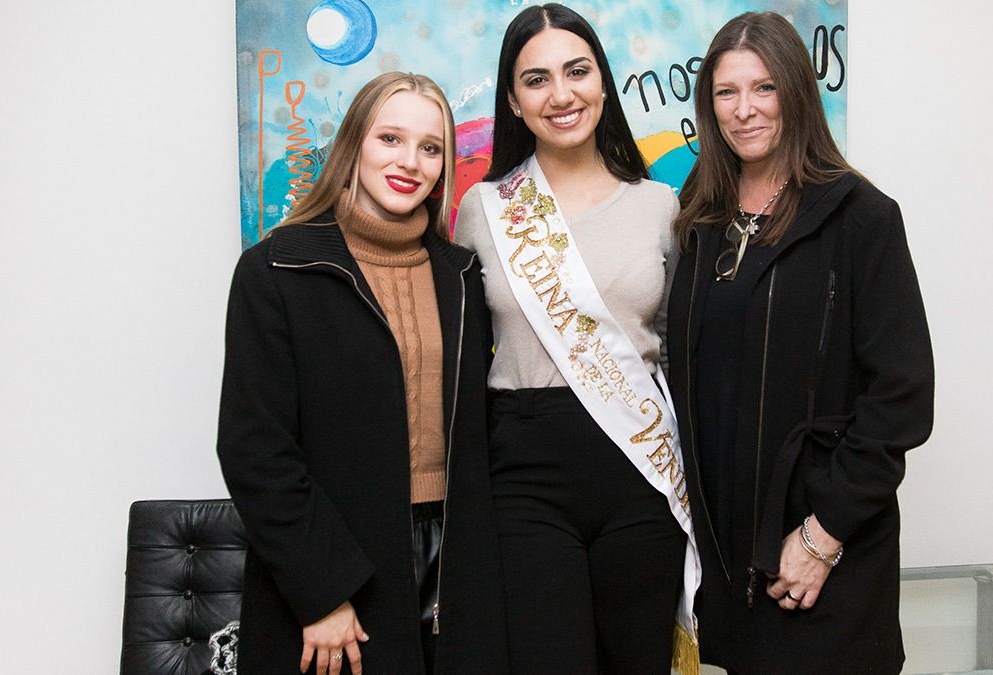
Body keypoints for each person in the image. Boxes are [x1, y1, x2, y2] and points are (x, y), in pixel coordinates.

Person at [666, 11, 935, 674]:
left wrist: (822, 536)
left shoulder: (862, 217)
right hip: (728, 560)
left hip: (823, 550)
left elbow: (902, 397)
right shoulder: (700, 218)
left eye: (763, 88)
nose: (744, 109)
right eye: (726, 93)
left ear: (797, 92)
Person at [217, 72, 507, 675]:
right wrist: (320, 589)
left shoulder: (462, 277)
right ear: (354, 146)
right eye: (390, 139)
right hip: (342, 558)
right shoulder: (275, 270)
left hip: (458, 559)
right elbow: (254, 450)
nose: (411, 162)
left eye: (431, 148)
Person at [453, 4, 700, 673]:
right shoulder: (482, 212)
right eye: (536, 80)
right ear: (512, 99)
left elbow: (680, 354)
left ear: (602, 81)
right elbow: (463, 362)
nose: (560, 94)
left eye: (577, 71)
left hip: (637, 462)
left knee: (638, 661)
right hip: (524, 468)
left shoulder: (660, 206)